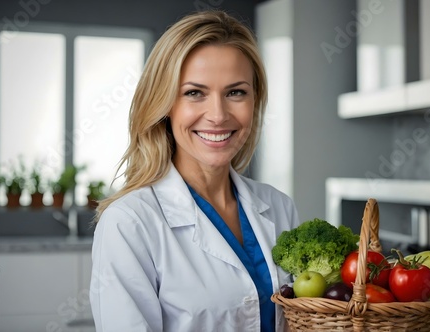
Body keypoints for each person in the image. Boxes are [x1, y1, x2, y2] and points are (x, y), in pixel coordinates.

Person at [89, 10, 300, 332]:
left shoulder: (280, 207)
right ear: (164, 105)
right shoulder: (129, 222)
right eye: (194, 93)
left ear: (255, 101)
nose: (217, 115)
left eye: (235, 92)